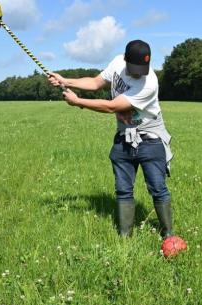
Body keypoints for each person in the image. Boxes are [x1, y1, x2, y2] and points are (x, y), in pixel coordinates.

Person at [48, 40, 174, 239]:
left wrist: (78, 101)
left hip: (150, 139)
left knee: (157, 188)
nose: (138, 73)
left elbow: (111, 107)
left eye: (142, 69)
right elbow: (96, 83)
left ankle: (168, 235)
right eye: (134, 68)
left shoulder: (149, 83)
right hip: (124, 137)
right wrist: (66, 80)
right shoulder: (117, 63)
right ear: (124, 59)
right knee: (123, 189)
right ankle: (125, 238)